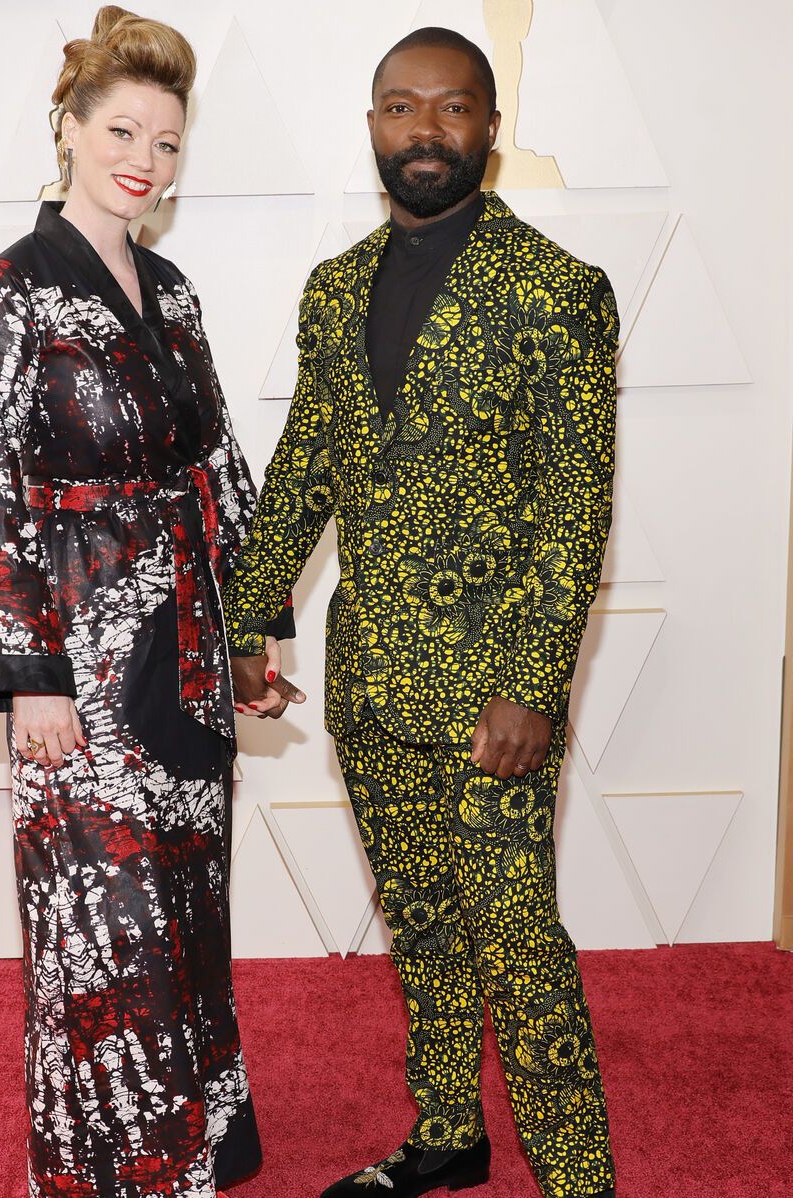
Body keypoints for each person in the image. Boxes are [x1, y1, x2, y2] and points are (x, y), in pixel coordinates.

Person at [223, 26, 618, 1198]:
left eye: (452, 109)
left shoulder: (558, 292)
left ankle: (579, 1176)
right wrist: (252, 617)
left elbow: (575, 508)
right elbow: (306, 464)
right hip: (372, 681)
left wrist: (533, 684)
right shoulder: (335, 286)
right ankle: (447, 1131)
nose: (425, 131)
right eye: (401, 107)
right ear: (373, 128)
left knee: (522, 944)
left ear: (489, 130)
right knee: (426, 928)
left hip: (495, 689)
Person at [0, 8, 293, 1195]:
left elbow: (218, 464)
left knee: (191, 907)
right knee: (109, 925)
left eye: (167, 140)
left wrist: (252, 630)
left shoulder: (176, 291)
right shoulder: (5, 296)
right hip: (82, 671)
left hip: (190, 652)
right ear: (68, 130)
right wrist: (29, 675)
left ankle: (195, 1144)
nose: (144, 159)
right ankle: (118, 1167)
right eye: (121, 129)